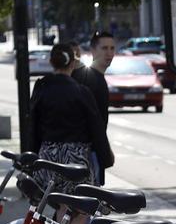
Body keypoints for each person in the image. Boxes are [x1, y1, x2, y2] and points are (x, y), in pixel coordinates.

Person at [30, 43, 113, 198]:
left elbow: (33, 125)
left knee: (56, 202)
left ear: (51, 62)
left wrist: (31, 157)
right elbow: (96, 128)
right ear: (73, 64)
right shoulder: (82, 92)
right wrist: (105, 158)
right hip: (76, 158)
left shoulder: (41, 87)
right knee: (78, 210)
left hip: (48, 156)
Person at [72, 31, 116, 185]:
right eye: (104, 48)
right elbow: (94, 122)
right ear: (93, 50)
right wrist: (104, 150)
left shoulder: (94, 77)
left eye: (112, 48)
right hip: (87, 152)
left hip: (89, 150)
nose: (109, 53)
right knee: (87, 202)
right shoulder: (88, 78)